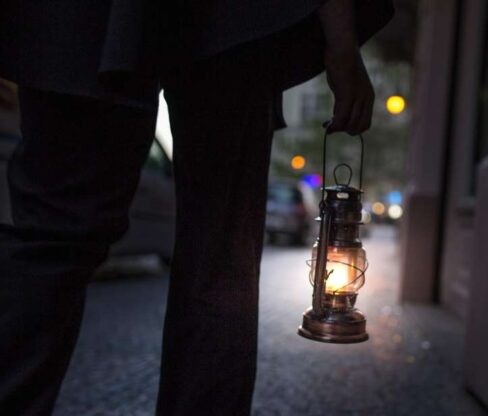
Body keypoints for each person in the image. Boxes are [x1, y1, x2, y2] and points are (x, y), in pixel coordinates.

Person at [0, 0, 393, 414]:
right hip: (234, 22)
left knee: (53, 234)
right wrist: (341, 41)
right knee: (219, 257)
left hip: (82, 19)